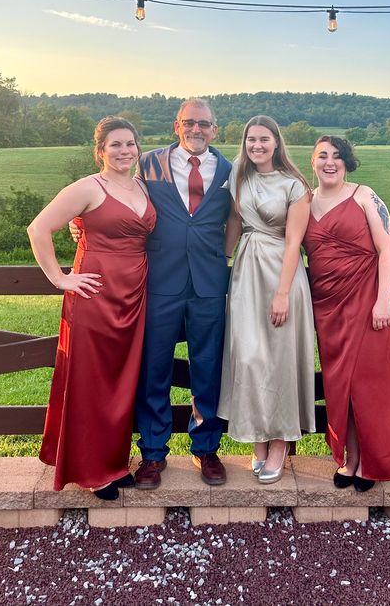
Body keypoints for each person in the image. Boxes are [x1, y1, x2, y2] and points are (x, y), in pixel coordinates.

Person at [28, 116, 155, 500]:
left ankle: (115, 463)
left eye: (130, 144)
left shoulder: (142, 187)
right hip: (94, 295)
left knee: (121, 381)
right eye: (115, 145)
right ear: (100, 151)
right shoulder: (87, 187)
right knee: (92, 380)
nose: (124, 151)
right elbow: (38, 228)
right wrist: (59, 278)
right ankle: (92, 469)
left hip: (134, 294)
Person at [132, 98, 232, 489]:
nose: (197, 130)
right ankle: (153, 454)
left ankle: (205, 448)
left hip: (209, 283)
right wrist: (80, 222)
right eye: (190, 122)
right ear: (177, 125)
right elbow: (112, 194)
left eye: (204, 124)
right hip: (161, 281)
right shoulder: (148, 163)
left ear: (215, 129)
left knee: (207, 367)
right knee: (153, 368)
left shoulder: (229, 169)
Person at [303, 135, 390, 491]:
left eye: (337, 156)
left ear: (347, 162)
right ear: (313, 162)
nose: (329, 162)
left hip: (367, 302)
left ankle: (372, 462)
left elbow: (387, 250)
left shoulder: (365, 195)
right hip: (327, 308)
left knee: (368, 384)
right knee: (339, 388)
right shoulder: (304, 201)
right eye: (322, 156)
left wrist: (383, 300)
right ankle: (349, 459)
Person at [218, 115, 316, 484]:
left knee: (279, 359)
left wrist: (282, 294)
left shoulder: (295, 185)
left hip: (282, 273)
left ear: (276, 143)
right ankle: (256, 437)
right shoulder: (238, 178)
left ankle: (279, 444)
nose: (256, 145)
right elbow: (232, 222)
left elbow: (294, 242)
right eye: (250, 140)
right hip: (246, 273)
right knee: (248, 355)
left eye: (264, 139)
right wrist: (222, 262)